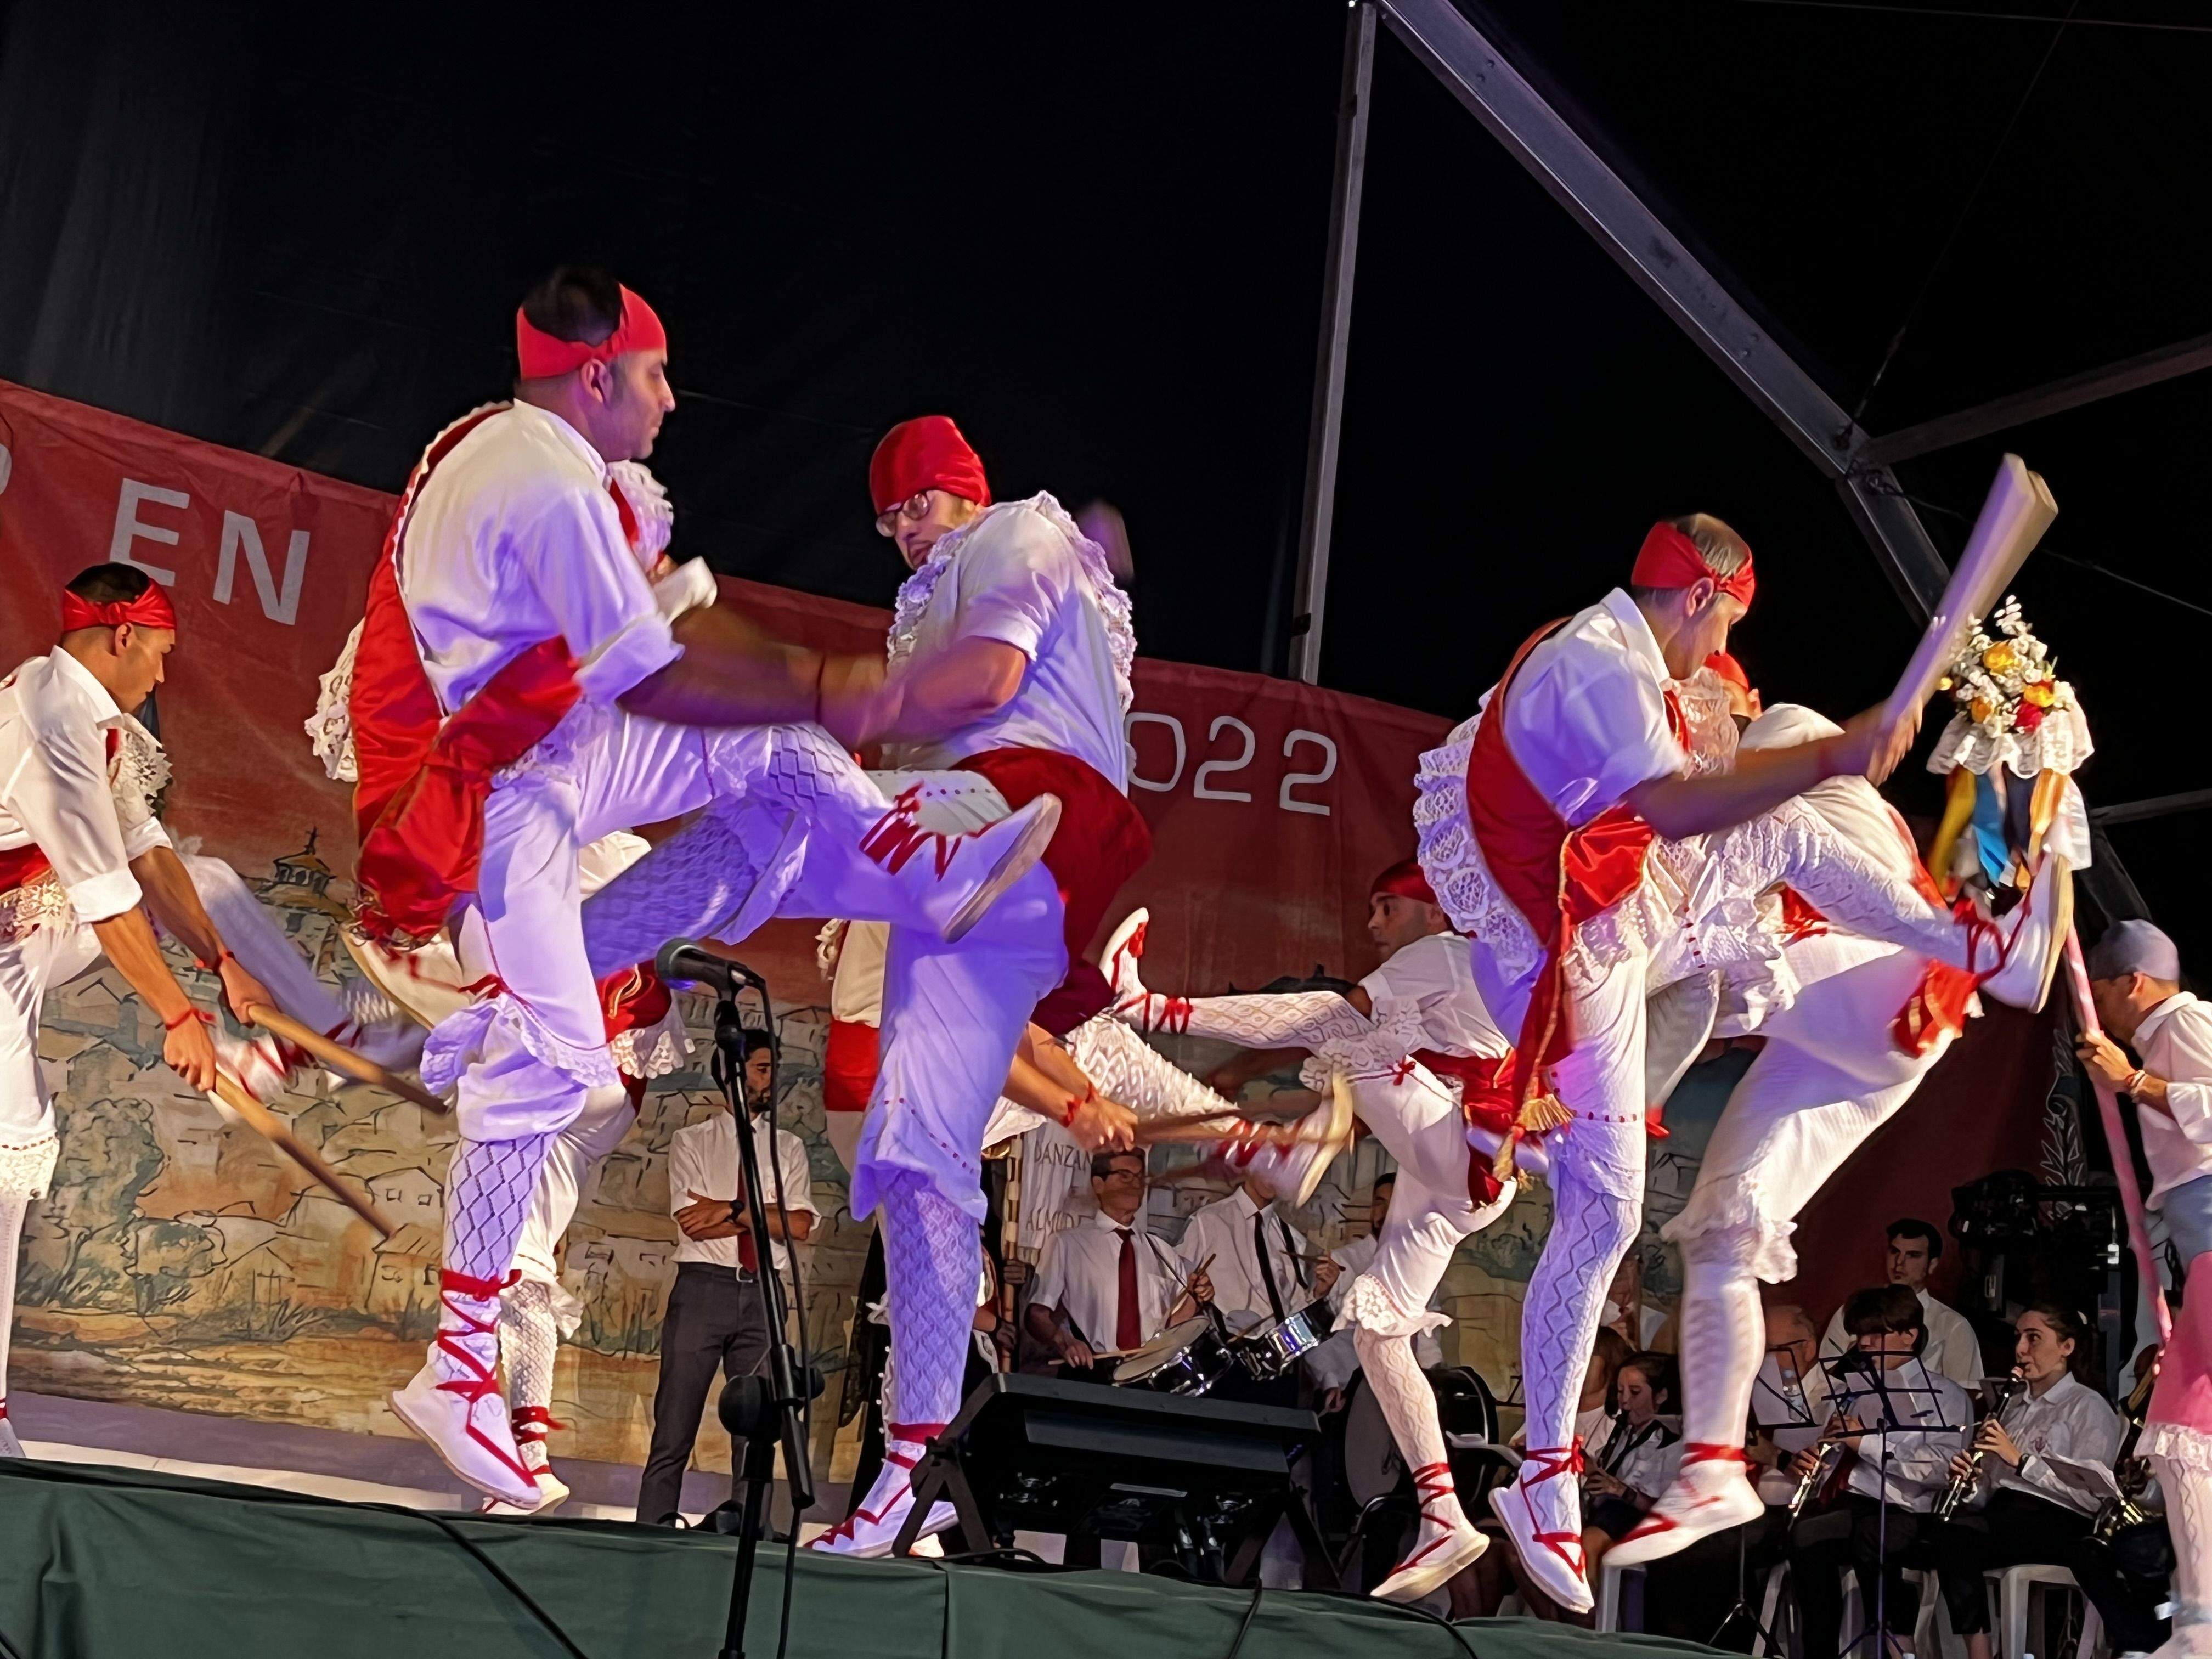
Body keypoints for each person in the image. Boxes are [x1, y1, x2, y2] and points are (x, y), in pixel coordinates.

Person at [348, 269, 1061, 1506]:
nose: (675, 399)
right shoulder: (542, 481)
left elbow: (674, 646)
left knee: (765, 771)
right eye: (658, 373)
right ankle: (459, 1367)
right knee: (553, 1066)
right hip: (501, 798)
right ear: (595, 376)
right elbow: (661, 674)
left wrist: (819, 691)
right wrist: (847, 688)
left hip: (548, 766)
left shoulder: (554, 466)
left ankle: (918, 870)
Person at [1411, 518, 2067, 1611]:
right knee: (1661, 1212)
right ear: (1703, 598)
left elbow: (1710, 796)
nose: (1726, 664)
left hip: (1700, 947)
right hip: (1622, 954)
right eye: (1727, 626)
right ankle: (1973, 947)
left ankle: (1543, 1482)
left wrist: (1840, 761)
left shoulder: (1699, 693)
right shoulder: (1603, 672)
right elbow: (1677, 807)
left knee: (1612, 1208)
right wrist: (1836, 751)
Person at [0, 563, 427, 1457]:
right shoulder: (52, 720)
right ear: (120, 634)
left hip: (29, 928)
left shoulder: (98, 717)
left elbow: (150, 854)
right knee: (12, 1150)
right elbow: (111, 898)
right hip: (16, 938)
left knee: (216, 880)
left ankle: (300, 1034)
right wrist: (176, 1014)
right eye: (158, 652)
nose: (162, 673)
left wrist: (226, 964)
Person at [1103, 856, 1523, 1599]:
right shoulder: (1438, 984)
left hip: (1466, 1155)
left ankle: (1166, 1024)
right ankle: (1443, 1512)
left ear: (1431, 913)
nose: (1371, 924)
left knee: (1336, 1023)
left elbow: (1318, 1017)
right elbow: (1372, 1081)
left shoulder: (1444, 953)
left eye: (1385, 908)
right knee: (1379, 1336)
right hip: (1455, 1174)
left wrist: (1165, 1011)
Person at [2079, 918, 2212, 1655]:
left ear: (2131, 981)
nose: (2096, 1011)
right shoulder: (2165, 1035)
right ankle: (2199, 1624)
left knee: (2189, 1429)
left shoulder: (2185, 1022)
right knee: (2181, 1433)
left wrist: (2135, 1082)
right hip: (2201, 1246)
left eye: (2101, 991)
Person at [633, 1031, 816, 1526]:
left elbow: (799, 1226)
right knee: (675, 1422)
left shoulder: (788, 1148)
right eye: (761, 1068)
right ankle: (652, 1528)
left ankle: (749, 1529)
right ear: (733, 1075)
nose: (771, 1079)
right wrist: (762, 1215)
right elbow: (691, 1219)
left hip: (764, 1294)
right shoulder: (692, 1141)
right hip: (703, 1287)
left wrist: (731, 1209)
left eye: (772, 1068)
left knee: (757, 1424)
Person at [1785, 1285, 1972, 1659]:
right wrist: (1809, 1463)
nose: (1865, 1343)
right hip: (1853, 1501)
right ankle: (1819, 1652)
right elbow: (1839, 1461)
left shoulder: (1945, 1395)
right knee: (1805, 1535)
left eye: (1876, 1333)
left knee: (1873, 1536)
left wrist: (1865, 1443)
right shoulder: (1855, 1390)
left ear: (1909, 1335)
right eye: (1860, 1335)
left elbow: (1940, 1467)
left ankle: (1899, 1644)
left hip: (1908, 1508)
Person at [1927, 1304, 2121, 1659]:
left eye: (2034, 1338)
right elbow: (1991, 1490)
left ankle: (1982, 1653)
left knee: (1959, 1538)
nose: (2020, 1350)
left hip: (2060, 1522)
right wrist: (1971, 1482)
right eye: (2019, 1338)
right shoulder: (2012, 1407)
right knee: (1941, 1532)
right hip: (2006, 1516)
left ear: (2067, 1347)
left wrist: (2021, 1461)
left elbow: (2093, 1498)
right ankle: (1977, 1648)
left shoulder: (2088, 1406)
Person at [1024, 1149, 1213, 1373]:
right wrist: (1065, 1342)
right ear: (1098, 1184)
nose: (1135, 1184)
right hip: (1093, 1374)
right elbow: (1037, 1315)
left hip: (1152, 1378)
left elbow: (1173, 1327)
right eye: (1124, 1175)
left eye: (1140, 1177)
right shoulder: (1066, 1244)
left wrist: (1196, 1297)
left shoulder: (1163, 1252)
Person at [1816, 1220, 1979, 1392]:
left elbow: (1964, 1396)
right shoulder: (1850, 1312)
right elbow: (1825, 1382)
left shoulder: (1954, 1325)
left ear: (1932, 1264)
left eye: (1913, 1255)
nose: (1899, 1262)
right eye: (1895, 1252)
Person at [1583, 1352, 1683, 1561]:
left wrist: (1620, 1490)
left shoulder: (1671, 1441)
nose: (1624, 1402)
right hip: (1604, 1513)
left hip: (1636, 1522)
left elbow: (1660, 1507)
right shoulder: (1623, 1431)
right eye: (1620, 1392)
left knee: (1589, 1544)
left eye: (1635, 1392)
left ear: (1661, 1396)